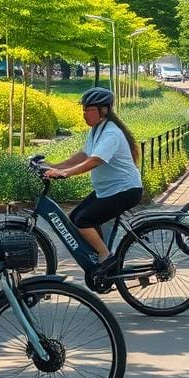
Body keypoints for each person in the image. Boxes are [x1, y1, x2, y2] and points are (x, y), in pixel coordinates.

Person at [42, 87, 143, 275]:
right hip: (108, 190)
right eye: (84, 110)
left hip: (125, 190)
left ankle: (106, 256)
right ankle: (99, 259)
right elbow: (83, 155)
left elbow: (96, 160)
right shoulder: (97, 130)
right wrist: (55, 166)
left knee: (83, 220)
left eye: (88, 110)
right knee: (75, 218)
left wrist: (66, 173)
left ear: (103, 110)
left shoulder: (111, 133)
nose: (84, 114)